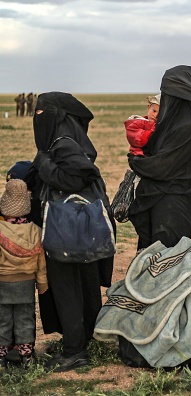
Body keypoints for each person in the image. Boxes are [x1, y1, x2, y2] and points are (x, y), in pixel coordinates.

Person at [24, 91, 115, 372]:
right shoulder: (73, 139)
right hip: (81, 229)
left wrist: (42, 163)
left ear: (56, 117)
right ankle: (83, 337)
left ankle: (75, 351)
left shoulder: (63, 143)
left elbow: (77, 176)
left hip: (65, 230)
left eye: (42, 114)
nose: (38, 120)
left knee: (65, 287)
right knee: (83, 283)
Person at [128, 65, 191, 249]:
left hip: (173, 205)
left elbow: (164, 166)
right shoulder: (172, 121)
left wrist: (136, 162)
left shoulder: (187, 126)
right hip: (162, 199)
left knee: (166, 262)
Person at [0, 179, 47, 370]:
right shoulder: (35, 230)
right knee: (25, 317)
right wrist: (42, 284)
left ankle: (2, 357)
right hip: (26, 282)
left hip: (3, 282)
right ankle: (26, 355)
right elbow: (41, 263)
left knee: (3, 319)